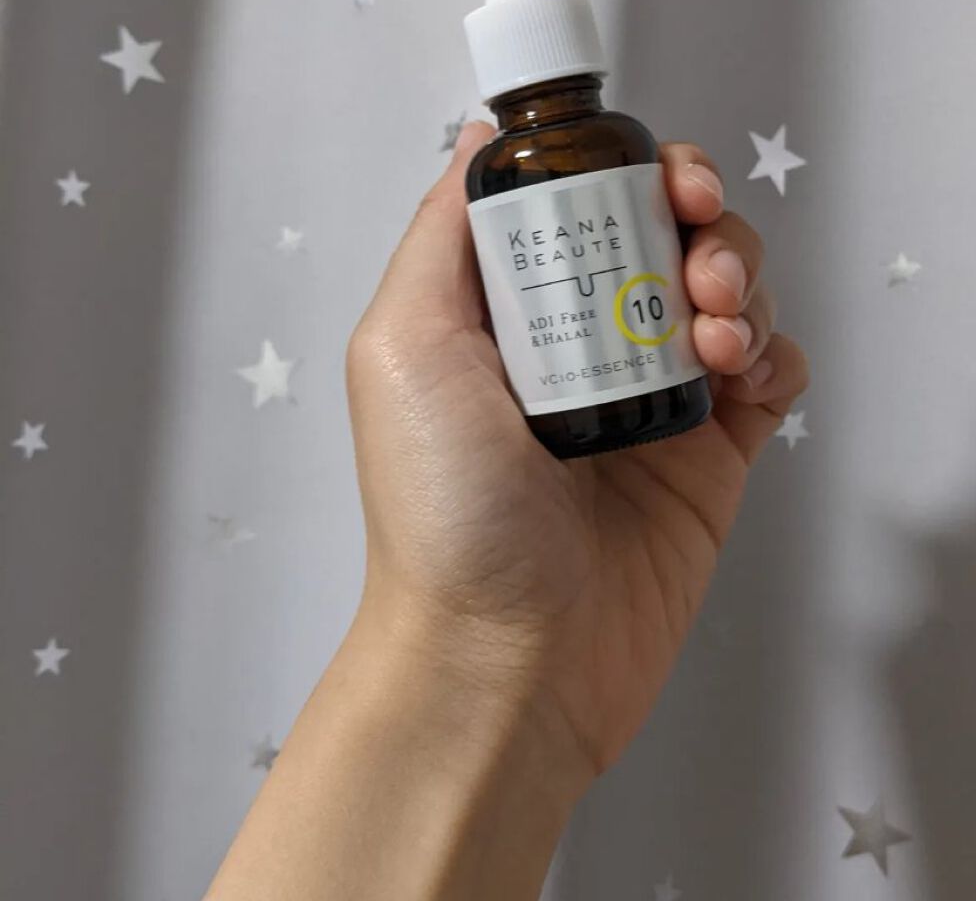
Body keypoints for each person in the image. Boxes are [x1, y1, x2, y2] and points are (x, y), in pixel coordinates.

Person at [206, 123, 808, 900]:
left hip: (614, 533)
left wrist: (499, 667)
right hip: (533, 573)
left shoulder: (589, 152)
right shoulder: (501, 169)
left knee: (703, 269)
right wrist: (474, 643)